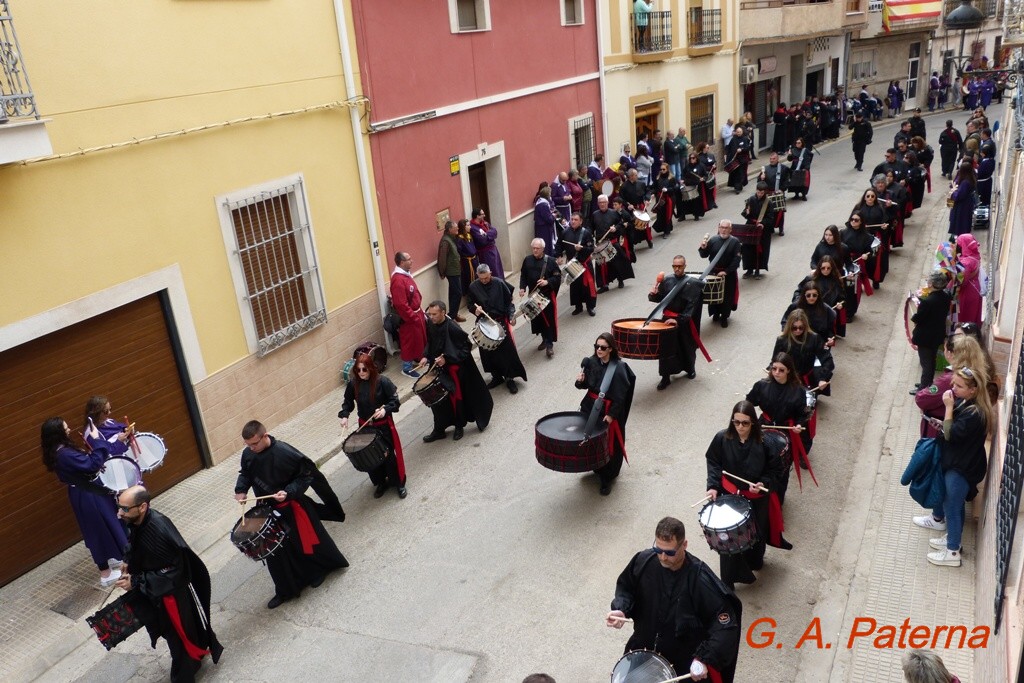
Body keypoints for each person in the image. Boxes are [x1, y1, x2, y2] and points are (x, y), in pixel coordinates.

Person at [606, 516, 741, 681]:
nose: (662, 557)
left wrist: (704, 659)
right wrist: (621, 609)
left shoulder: (700, 578)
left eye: (669, 552)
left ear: (684, 545)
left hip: (682, 662)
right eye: (658, 550)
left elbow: (725, 625)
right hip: (643, 651)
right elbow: (626, 587)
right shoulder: (643, 560)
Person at [234, 421, 349, 608]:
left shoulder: (285, 452)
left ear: (265, 436)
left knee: (305, 542)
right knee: (274, 551)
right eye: (248, 445)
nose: (251, 448)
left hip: (292, 504)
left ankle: (317, 571)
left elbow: (306, 476)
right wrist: (241, 490)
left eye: (254, 443)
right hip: (267, 508)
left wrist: (288, 491)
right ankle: (286, 589)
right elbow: (245, 473)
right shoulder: (248, 454)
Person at [115, 485, 223, 681]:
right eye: (119, 507)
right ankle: (195, 657)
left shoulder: (158, 527)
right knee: (181, 631)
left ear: (142, 507)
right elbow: (135, 542)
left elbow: (174, 570)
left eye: (124, 509)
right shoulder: (138, 520)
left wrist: (136, 581)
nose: (119, 513)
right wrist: (127, 559)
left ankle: (183, 676)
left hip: (170, 594)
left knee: (177, 636)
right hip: (158, 590)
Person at [912, 366, 993, 568]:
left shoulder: (975, 413)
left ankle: (953, 551)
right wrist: (944, 421)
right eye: (954, 384)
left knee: (952, 507)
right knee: (952, 505)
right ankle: (951, 539)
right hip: (960, 462)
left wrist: (948, 408)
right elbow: (953, 430)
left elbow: (952, 434)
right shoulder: (969, 403)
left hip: (961, 468)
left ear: (973, 390)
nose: (954, 389)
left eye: (959, 386)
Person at [705, 401, 791, 588]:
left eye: (745, 423)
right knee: (727, 539)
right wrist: (712, 486)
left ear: (753, 422)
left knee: (756, 535)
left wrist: (764, 483)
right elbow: (713, 462)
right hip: (729, 497)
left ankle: (754, 561)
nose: (740, 427)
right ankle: (727, 583)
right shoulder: (721, 438)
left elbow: (777, 471)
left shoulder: (766, 444)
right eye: (736, 422)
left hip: (756, 499)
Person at [40, 417, 128, 587]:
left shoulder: (59, 450)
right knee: (99, 529)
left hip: (83, 493)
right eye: (65, 428)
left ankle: (110, 566)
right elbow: (92, 465)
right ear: (57, 433)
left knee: (99, 528)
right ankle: (106, 573)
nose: (68, 429)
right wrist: (95, 440)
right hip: (88, 495)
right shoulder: (64, 454)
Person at [419, 300, 493, 442]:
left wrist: (448, 359)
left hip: (453, 370)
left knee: (456, 400)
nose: (431, 317)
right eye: (430, 314)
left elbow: (466, 347)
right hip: (437, 369)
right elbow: (430, 342)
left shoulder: (453, 327)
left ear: (443, 313)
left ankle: (459, 426)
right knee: (437, 402)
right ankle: (439, 429)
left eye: (434, 314)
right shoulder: (431, 324)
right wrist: (425, 356)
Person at [339, 353, 407, 499]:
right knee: (370, 458)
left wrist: (384, 410)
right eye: (358, 370)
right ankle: (381, 482)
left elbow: (394, 401)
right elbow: (348, 402)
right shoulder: (353, 384)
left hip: (382, 426)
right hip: (365, 427)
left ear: (371, 368)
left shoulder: (383, 382)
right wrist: (344, 415)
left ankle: (398, 483)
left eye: (364, 369)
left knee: (387, 456)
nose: (361, 373)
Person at [575, 332, 636, 495]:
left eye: (603, 347)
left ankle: (607, 477)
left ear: (611, 349)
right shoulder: (591, 362)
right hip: (590, 407)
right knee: (591, 441)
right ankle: (595, 467)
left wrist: (611, 415)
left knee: (608, 445)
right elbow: (585, 386)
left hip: (607, 412)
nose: (598, 350)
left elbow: (621, 396)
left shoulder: (619, 368)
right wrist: (580, 382)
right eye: (597, 346)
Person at [467, 263, 527, 394]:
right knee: (488, 353)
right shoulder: (473, 286)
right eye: (481, 278)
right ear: (478, 276)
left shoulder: (500, 283)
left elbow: (509, 304)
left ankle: (509, 378)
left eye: (486, 278)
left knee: (506, 352)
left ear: (490, 274)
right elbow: (470, 304)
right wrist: (475, 310)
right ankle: (496, 376)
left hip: (500, 321)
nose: (484, 281)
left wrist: (511, 316)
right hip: (484, 322)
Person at [747, 353, 811, 471]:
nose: (776, 372)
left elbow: (803, 413)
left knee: (782, 459)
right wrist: (750, 421)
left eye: (781, 370)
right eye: (774, 368)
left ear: (788, 371)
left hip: (786, 428)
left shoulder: (798, 391)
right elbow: (749, 403)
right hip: (764, 423)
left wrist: (799, 424)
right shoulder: (761, 385)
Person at [649, 255, 704, 389]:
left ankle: (690, 369)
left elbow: (691, 307)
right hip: (666, 321)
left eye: (680, 266)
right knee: (666, 350)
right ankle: (665, 377)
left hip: (683, 321)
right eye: (674, 266)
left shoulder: (692, 284)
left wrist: (678, 320)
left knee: (687, 347)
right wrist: (653, 294)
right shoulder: (667, 280)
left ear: (685, 266)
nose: (677, 268)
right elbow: (660, 299)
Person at [911, 271, 953, 395]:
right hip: (937, 334)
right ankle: (927, 382)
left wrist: (914, 316)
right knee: (931, 360)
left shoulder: (928, 301)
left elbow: (918, 318)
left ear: (932, 284)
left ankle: (924, 388)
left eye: (929, 281)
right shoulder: (945, 297)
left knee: (926, 363)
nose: (927, 283)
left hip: (926, 336)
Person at [519, 238, 562, 358]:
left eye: (537, 248)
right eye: (533, 248)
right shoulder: (527, 260)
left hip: (546, 296)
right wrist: (522, 287)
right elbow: (523, 275)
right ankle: (544, 339)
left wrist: (547, 282)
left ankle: (549, 345)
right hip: (533, 296)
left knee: (548, 321)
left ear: (543, 249)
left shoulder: (551, 261)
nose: (535, 250)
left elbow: (558, 277)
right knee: (539, 321)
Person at [390, 251, 428, 379]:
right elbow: (400, 304)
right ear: (401, 262)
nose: (412, 261)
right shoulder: (398, 280)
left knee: (419, 339)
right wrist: (412, 317)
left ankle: (418, 358)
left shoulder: (405, 275)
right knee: (409, 342)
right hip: (409, 318)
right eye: (409, 259)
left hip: (416, 314)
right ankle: (406, 368)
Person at [775, 310, 834, 393]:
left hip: (807, 379)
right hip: (787, 378)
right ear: (789, 326)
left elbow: (827, 359)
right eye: (794, 328)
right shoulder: (781, 340)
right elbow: (775, 360)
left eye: (801, 328)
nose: (798, 330)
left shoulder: (814, 338)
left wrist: (822, 378)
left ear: (805, 326)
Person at [698, 220, 742, 328]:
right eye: (722, 227)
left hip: (728, 274)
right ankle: (715, 313)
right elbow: (704, 255)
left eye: (726, 228)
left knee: (727, 296)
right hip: (713, 273)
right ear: (718, 228)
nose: (724, 230)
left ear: (730, 229)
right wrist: (702, 248)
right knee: (713, 295)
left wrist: (726, 271)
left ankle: (724, 317)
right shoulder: (713, 240)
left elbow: (736, 260)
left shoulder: (735, 242)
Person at [794, 256, 848, 339]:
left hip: (825, 313)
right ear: (819, 267)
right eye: (823, 268)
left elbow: (843, 298)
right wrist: (798, 301)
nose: (825, 270)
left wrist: (841, 304)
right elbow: (798, 291)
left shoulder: (836, 281)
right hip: (809, 310)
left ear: (832, 268)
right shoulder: (810, 279)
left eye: (828, 268)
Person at [591, 194, 635, 291]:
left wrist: (616, 228)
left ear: (607, 203)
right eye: (600, 202)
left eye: (604, 202)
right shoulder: (594, 215)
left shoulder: (614, 213)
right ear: (598, 204)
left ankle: (620, 280)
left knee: (617, 262)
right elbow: (591, 228)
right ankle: (604, 285)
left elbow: (621, 224)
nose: (602, 204)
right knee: (601, 265)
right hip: (601, 244)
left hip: (612, 242)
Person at [558, 211, 598, 316]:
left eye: (576, 220)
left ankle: (590, 307)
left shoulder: (586, 233)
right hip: (572, 264)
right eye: (572, 219)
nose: (573, 221)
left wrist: (582, 248)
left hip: (584, 264)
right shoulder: (565, 233)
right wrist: (558, 256)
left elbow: (591, 248)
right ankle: (578, 306)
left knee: (588, 286)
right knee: (575, 287)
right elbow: (559, 246)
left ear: (581, 221)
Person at [852, 187, 889, 288]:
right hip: (861, 236)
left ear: (875, 197)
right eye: (868, 196)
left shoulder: (880, 208)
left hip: (874, 237)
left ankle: (875, 280)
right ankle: (860, 281)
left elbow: (885, 222)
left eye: (872, 196)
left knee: (874, 260)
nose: (870, 198)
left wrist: (884, 227)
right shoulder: (858, 208)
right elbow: (851, 221)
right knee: (861, 259)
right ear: (864, 197)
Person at [739, 181, 776, 279]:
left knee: (759, 250)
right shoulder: (751, 199)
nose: (759, 194)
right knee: (747, 249)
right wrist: (747, 213)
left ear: (765, 192)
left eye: (761, 193)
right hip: (751, 227)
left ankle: (757, 270)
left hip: (762, 230)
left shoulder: (769, 203)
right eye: (758, 192)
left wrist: (763, 223)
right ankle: (749, 269)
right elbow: (745, 214)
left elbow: (771, 218)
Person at [437, 220, 465, 323]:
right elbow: (442, 258)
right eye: (455, 227)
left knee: (453, 292)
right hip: (451, 272)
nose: (457, 228)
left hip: (455, 270)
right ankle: (451, 316)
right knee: (457, 293)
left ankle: (454, 313)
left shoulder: (451, 238)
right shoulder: (445, 241)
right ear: (450, 229)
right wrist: (442, 272)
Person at [757, 153, 790, 236]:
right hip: (768, 194)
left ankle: (781, 229)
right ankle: (770, 228)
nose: (771, 160)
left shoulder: (783, 168)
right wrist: (761, 178)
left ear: (777, 159)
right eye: (770, 159)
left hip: (778, 193)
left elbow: (787, 181)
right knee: (768, 213)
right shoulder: (765, 169)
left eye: (773, 159)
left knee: (780, 212)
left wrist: (782, 189)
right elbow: (759, 182)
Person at [470, 208, 505, 279]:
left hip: (493, 250)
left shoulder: (485, 223)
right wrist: (489, 235)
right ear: (477, 216)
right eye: (482, 214)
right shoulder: (473, 228)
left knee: (498, 269)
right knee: (492, 270)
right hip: (485, 253)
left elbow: (495, 231)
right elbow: (482, 240)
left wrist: (486, 234)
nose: (484, 215)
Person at [677, 152, 708, 222]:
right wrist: (682, 180)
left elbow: (706, 175)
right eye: (690, 158)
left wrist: (703, 178)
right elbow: (683, 174)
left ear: (696, 158)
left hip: (696, 185)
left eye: (693, 158)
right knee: (683, 200)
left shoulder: (701, 166)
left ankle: (696, 214)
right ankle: (682, 215)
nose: (691, 159)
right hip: (687, 184)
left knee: (695, 200)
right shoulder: (687, 166)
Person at [948, 162, 977, 237]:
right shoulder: (970, 179)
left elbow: (959, 196)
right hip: (966, 204)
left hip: (962, 206)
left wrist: (953, 191)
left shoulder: (965, 182)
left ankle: (959, 240)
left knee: (960, 223)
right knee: (964, 222)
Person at [650, 161, 678, 235]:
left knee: (668, 214)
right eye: (661, 169)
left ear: (667, 169)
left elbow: (675, 188)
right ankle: (663, 229)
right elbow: (654, 187)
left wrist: (668, 190)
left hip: (669, 198)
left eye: (664, 169)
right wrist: (653, 193)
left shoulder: (671, 178)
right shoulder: (658, 178)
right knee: (661, 214)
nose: (662, 171)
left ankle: (667, 231)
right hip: (660, 199)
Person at [456, 219, 480, 300]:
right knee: (470, 279)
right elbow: (459, 251)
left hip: (474, 260)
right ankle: (472, 298)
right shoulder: (460, 239)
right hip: (468, 262)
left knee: (477, 277)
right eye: (468, 225)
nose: (470, 227)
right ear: (463, 227)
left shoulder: (469, 236)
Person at [533, 186, 559, 257]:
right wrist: (554, 216)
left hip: (541, 227)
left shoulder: (540, 202)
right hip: (544, 229)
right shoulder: (543, 205)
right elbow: (549, 219)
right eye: (550, 193)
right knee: (546, 245)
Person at [724, 126, 751, 193]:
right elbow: (728, 147)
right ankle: (736, 186)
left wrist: (741, 149)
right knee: (735, 173)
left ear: (742, 132)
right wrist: (726, 154)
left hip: (742, 160)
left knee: (740, 173)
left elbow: (747, 148)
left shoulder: (745, 139)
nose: (738, 133)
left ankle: (738, 188)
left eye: (740, 132)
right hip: (735, 160)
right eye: (737, 132)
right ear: (736, 132)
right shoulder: (733, 139)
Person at [696, 141, 718, 209]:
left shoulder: (711, 155)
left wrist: (714, 166)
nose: (708, 149)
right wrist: (709, 167)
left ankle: (713, 202)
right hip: (705, 175)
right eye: (707, 147)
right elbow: (701, 167)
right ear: (703, 148)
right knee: (707, 190)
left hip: (711, 174)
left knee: (712, 189)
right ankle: (708, 204)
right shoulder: (699, 157)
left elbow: (715, 162)